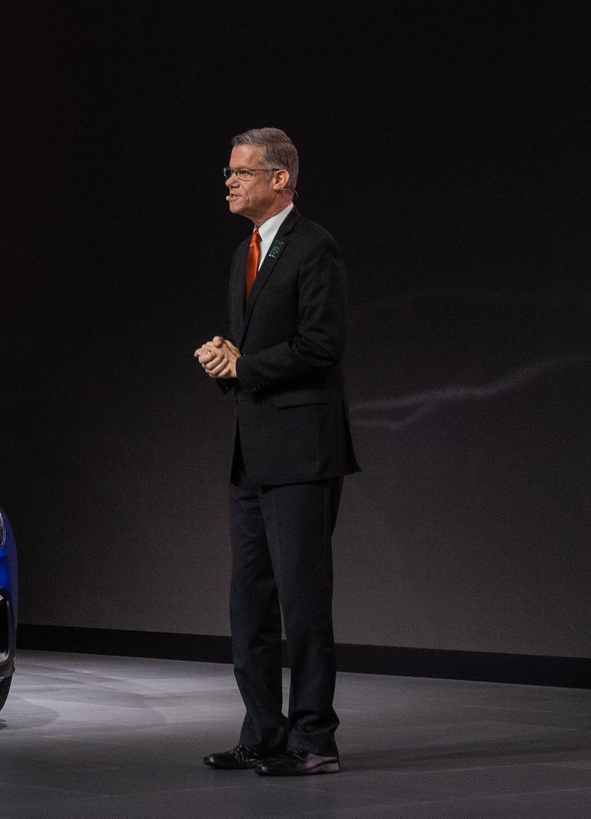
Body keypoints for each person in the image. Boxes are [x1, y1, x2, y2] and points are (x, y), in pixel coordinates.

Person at [195, 126, 358, 777]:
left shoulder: (315, 247)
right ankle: (263, 731)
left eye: (241, 171)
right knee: (249, 603)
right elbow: (254, 357)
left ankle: (314, 739)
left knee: (303, 603)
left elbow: (322, 345)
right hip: (251, 451)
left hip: (301, 453)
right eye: (229, 171)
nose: (229, 182)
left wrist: (246, 364)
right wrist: (226, 362)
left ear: (279, 179)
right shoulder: (244, 251)